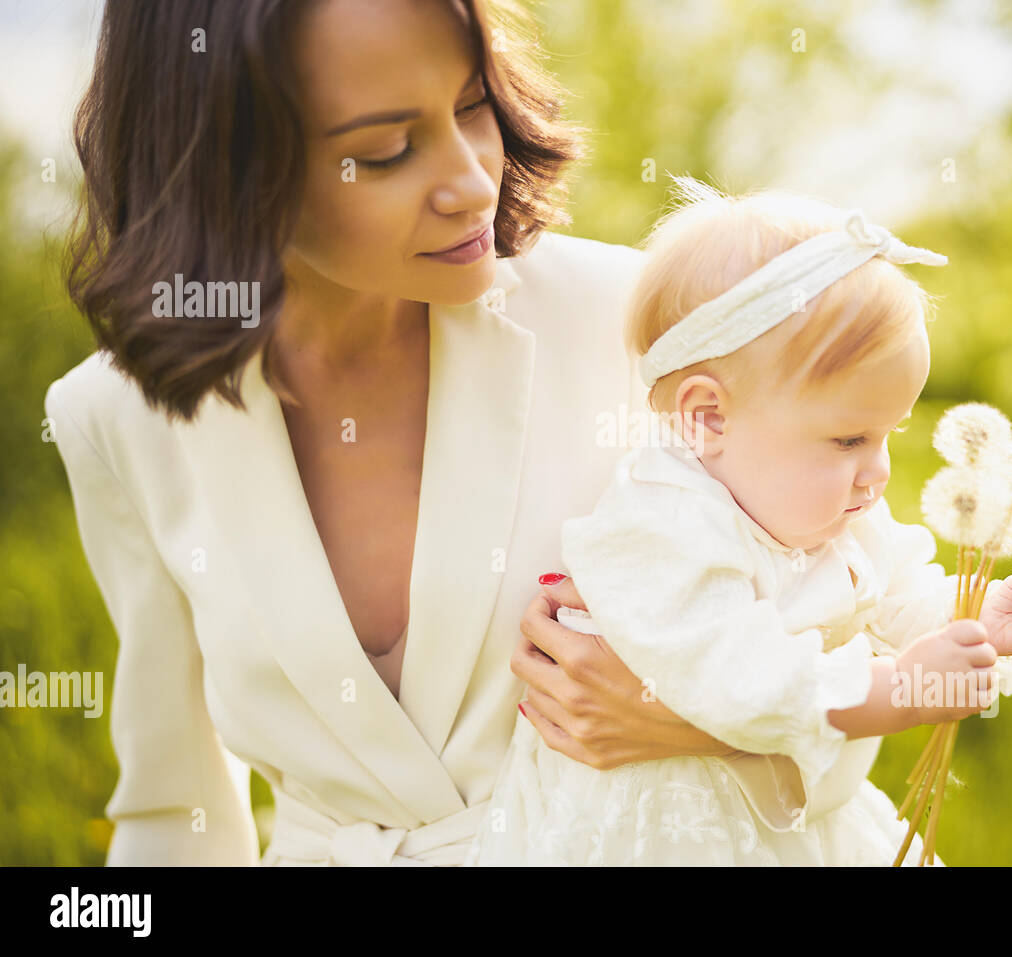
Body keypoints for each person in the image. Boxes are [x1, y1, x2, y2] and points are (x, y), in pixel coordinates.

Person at [44, 0, 783, 866]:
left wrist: (679, 717)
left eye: (473, 106)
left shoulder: (635, 324)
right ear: (226, 167)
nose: (473, 180)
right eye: (386, 151)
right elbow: (173, 817)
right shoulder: (115, 418)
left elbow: (863, 663)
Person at [466, 179, 1012, 866]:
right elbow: (743, 679)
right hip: (658, 832)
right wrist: (897, 688)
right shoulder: (658, 528)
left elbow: (899, 592)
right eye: (848, 440)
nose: (876, 470)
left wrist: (975, 613)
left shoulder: (830, 507)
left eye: (886, 434)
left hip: (781, 820)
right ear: (708, 417)